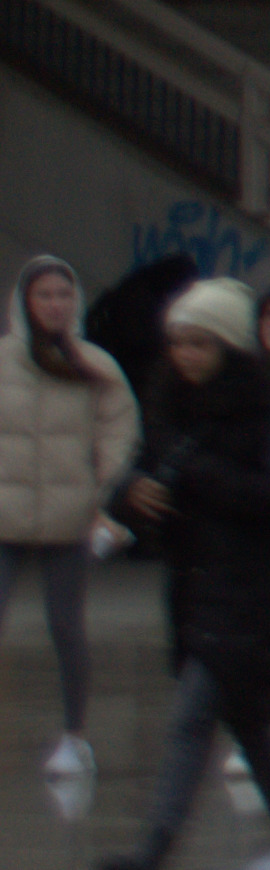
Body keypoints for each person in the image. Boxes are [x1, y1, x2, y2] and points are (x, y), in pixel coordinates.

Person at [89, 282, 270, 870]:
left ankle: (152, 856)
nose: (186, 356)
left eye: (200, 343)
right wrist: (130, 494)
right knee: (252, 731)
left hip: (249, 598)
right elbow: (142, 475)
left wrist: (194, 478)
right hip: (197, 593)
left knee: (192, 720)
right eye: (179, 343)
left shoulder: (265, 414)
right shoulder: (172, 408)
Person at [7, 252, 130, 789]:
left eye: (63, 294)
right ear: (24, 302)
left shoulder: (96, 366)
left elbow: (118, 437)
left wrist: (104, 500)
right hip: (4, 516)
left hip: (70, 517)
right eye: (44, 295)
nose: (55, 305)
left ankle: (75, 738)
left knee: (66, 626)